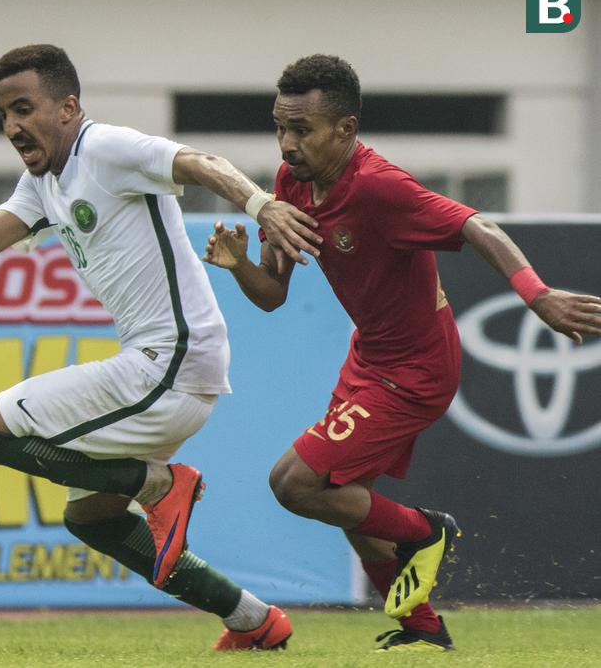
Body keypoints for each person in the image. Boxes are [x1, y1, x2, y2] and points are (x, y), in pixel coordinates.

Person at [0, 44, 322, 650]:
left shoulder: (106, 148)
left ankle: (157, 485)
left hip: (171, 361)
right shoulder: (43, 182)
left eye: (23, 108)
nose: (12, 126)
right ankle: (253, 620)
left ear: (67, 107)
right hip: (159, 368)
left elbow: (200, 162)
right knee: (91, 519)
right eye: (4, 113)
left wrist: (261, 203)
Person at [203, 54, 601, 653]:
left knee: (293, 482)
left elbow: (479, 227)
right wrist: (238, 268)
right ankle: (423, 626)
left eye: (301, 130)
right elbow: (272, 297)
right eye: (280, 127)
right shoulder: (290, 187)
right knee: (343, 501)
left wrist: (537, 295)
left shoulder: (380, 187)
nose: (287, 144)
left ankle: (425, 531)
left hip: (417, 369)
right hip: (369, 358)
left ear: (345, 129)